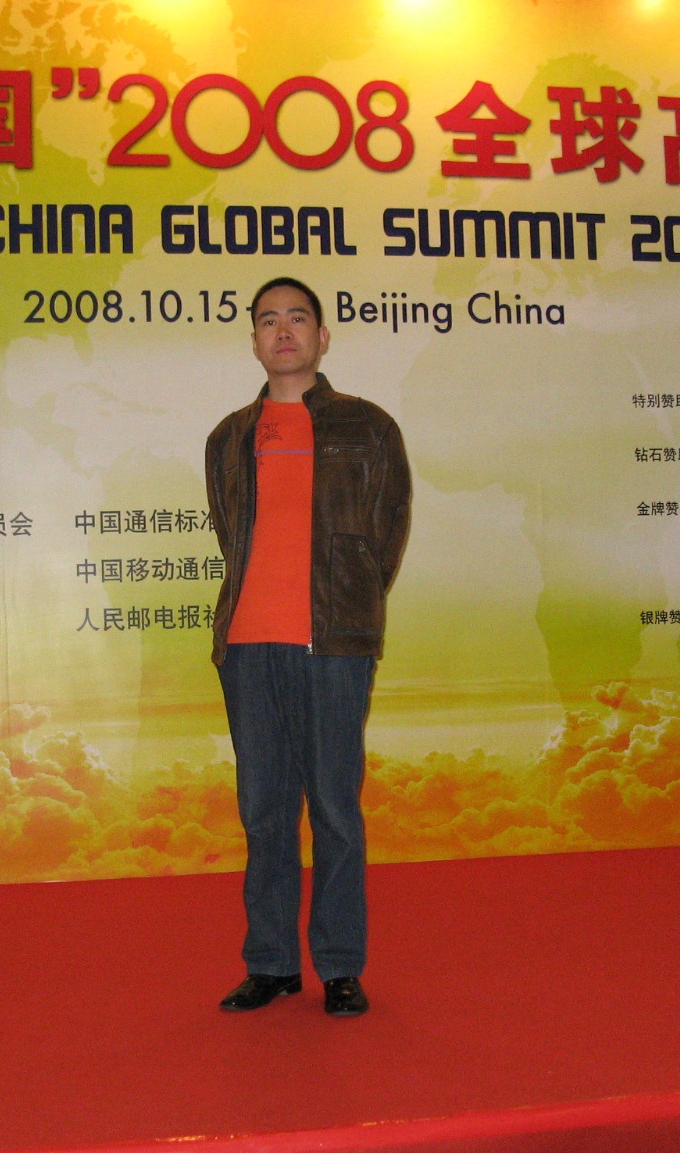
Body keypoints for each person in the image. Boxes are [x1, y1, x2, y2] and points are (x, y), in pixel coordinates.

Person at [204, 277, 412, 1018]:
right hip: (248, 646)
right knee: (263, 812)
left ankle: (340, 965)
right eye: (269, 320)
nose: (283, 331)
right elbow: (229, 532)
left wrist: (348, 607)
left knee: (333, 809)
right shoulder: (228, 437)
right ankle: (271, 963)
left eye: (297, 318)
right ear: (255, 341)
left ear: (322, 338)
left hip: (334, 645)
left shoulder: (369, 427)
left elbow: (386, 534)